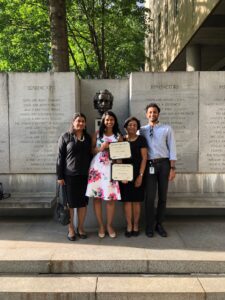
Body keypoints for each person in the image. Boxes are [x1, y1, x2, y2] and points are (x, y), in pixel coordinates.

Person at [139, 103, 177, 238]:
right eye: (150, 112)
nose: (152, 114)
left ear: (158, 114)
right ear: (146, 114)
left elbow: (172, 149)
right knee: (149, 197)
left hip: (164, 165)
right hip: (149, 165)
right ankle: (149, 225)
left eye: (154, 112)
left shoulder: (167, 129)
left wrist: (172, 168)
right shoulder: (141, 130)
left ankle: (159, 224)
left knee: (163, 196)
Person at [86, 111, 122, 238]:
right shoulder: (97, 134)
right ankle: (101, 225)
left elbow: (121, 155)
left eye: (112, 119)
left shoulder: (118, 136)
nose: (109, 122)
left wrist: (121, 171)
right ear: (103, 121)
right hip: (97, 169)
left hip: (111, 169)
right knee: (97, 198)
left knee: (110, 198)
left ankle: (109, 225)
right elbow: (91, 151)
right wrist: (101, 148)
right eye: (107, 120)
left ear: (115, 121)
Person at [56, 113, 92, 241]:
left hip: (85, 176)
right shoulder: (65, 137)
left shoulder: (87, 137)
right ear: (73, 122)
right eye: (78, 121)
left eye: (83, 121)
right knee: (70, 205)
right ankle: (71, 229)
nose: (80, 123)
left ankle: (80, 228)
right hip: (69, 177)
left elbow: (91, 155)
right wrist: (60, 176)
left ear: (85, 123)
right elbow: (60, 158)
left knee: (82, 204)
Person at [120, 117, 148, 237]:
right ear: (125, 127)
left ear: (137, 127)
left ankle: (136, 224)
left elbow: (144, 158)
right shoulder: (121, 139)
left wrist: (140, 176)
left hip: (138, 174)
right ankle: (129, 225)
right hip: (125, 175)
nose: (132, 126)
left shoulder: (141, 139)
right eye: (129, 125)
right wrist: (121, 175)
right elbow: (118, 157)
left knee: (136, 201)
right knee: (127, 202)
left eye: (134, 125)